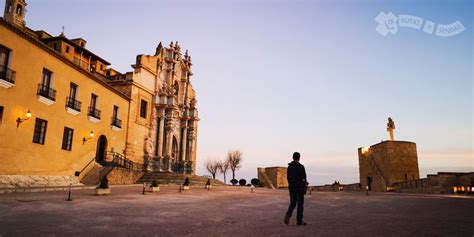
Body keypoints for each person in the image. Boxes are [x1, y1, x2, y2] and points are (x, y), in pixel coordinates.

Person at [284, 152, 307, 226]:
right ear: (299, 158)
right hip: (299, 188)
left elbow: (288, 177)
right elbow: (303, 178)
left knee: (293, 203)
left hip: (291, 187)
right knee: (300, 204)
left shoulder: (289, 167)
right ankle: (299, 221)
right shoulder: (301, 166)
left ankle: (288, 215)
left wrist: (291, 184)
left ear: (293, 157)